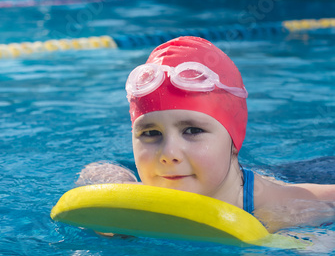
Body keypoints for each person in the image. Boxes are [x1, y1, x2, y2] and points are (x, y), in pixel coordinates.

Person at [76, 36, 335, 234]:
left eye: (193, 130)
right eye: (151, 133)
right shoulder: (137, 198)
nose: (168, 154)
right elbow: (95, 170)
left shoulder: (287, 207)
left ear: (234, 142)